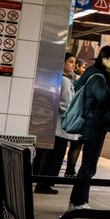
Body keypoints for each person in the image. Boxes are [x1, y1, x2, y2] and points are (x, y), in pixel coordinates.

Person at [68, 45, 110, 210]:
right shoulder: (98, 77)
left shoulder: (101, 75)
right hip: (94, 124)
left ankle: (77, 200)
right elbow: (104, 96)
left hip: (95, 123)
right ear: (104, 59)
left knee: (88, 164)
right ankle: (79, 202)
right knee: (89, 165)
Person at [34, 53, 80, 192]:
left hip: (51, 125)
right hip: (61, 126)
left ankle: (42, 182)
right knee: (55, 157)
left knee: (47, 156)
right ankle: (45, 184)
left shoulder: (56, 79)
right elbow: (66, 103)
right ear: (63, 63)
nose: (74, 65)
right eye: (71, 62)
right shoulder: (65, 81)